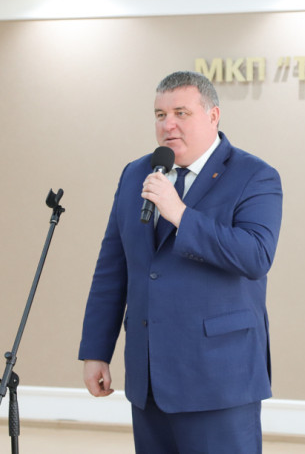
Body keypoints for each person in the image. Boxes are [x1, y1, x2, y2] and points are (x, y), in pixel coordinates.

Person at [78, 71, 283, 453]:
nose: (167, 124)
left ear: (213, 115)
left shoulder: (254, 175)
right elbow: (112, 268)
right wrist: (96, 350)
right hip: (149, 375)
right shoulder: (136, 173)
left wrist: (181, 215)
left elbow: (255, 256)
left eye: (180, 113)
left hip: (219, 377)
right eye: (160, 115)